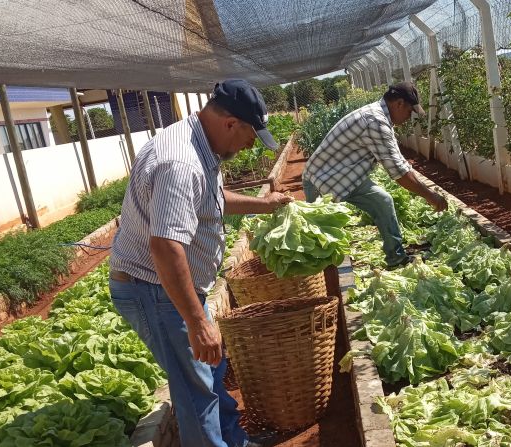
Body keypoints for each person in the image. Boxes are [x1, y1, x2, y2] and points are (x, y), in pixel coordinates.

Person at [108, 79, 292, 447]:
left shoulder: (199, 144)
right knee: (195, 389)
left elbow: (211, 199)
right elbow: (164, 245)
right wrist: (196, 322)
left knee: (210, 370)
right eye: (250, 136)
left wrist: (265, 203)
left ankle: (233, 442)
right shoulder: (181, 162)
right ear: (230, 124)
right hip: (155, 290)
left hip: (175, 287)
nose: (250, 146)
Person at [302, 81, 447, 269]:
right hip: (321, 181)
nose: (409, 116)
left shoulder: (380, 117)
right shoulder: (375, 122)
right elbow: (397, 172)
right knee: (323, 243)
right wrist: (431, 196)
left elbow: (399, 162)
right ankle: (322, 286)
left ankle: (396, 258)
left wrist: (425, 189)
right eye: (410, 111)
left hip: (344, 178)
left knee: (382, 201)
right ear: (399, 104)